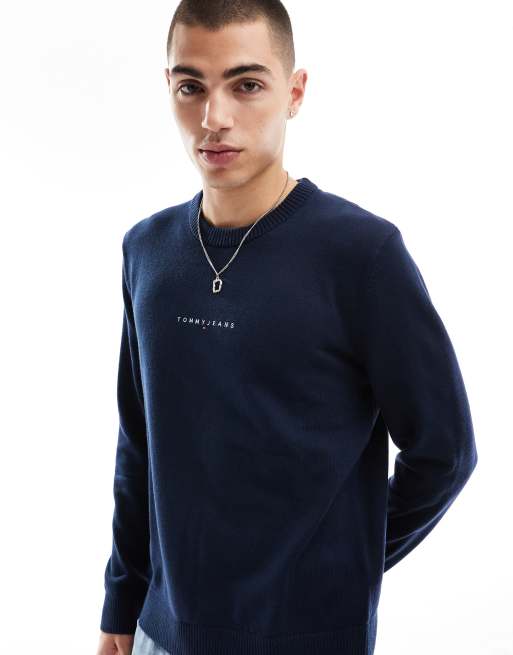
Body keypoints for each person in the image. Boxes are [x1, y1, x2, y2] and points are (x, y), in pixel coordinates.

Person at [96, 2, 478, 654]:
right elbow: (139, 446)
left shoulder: (361, 256)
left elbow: (444, 452)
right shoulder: (147, 250)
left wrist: (343, 565)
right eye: (191, 87)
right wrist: (120, 607)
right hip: (163, 635)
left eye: (246, 84)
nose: (214, 117)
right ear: (169, 90)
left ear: (294, 92)